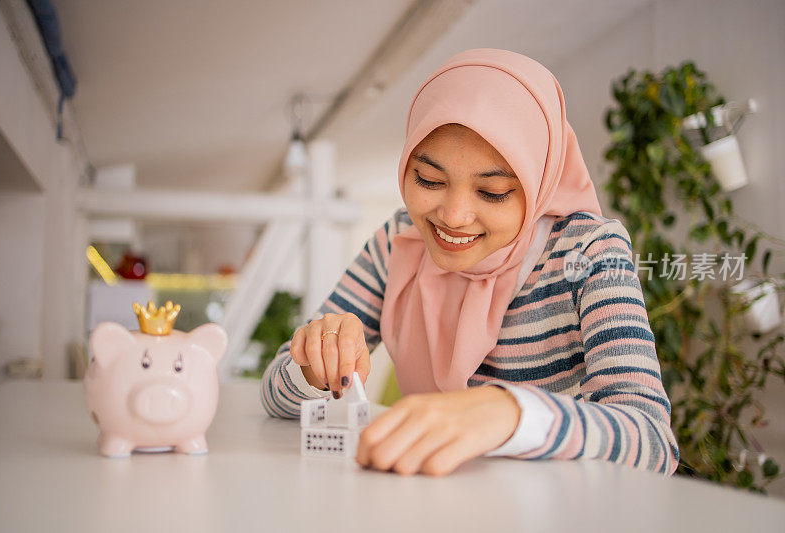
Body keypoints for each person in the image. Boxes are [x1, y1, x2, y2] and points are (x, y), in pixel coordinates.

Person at [260, 48, 679, 477]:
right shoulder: (399, 241)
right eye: (429, 180)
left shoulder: (590, 252)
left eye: (493, 191)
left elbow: (652, 442)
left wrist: (509, 413)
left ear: (540, 182)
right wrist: (313, 368)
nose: (453, 216)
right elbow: (274, 396)